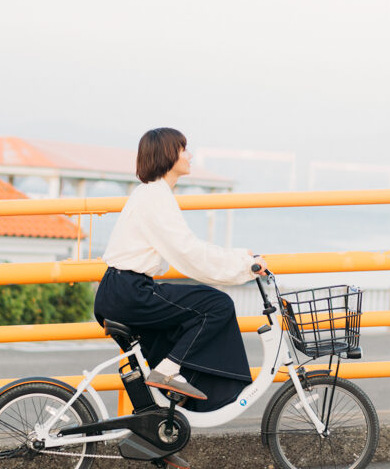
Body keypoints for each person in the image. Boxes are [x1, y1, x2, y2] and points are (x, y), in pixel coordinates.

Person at [94, 127, 268, 416]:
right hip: (131, 292)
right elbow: (189, 253)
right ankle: (168, 372)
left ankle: (163, 416)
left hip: (120, 290)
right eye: (183, 149)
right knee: (217, 305)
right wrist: (242, 266)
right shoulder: (155, 197)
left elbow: (188, 250)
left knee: (182, 324)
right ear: (167, 154)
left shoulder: (150, 194)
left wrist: (239, 257)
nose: (189, 155)